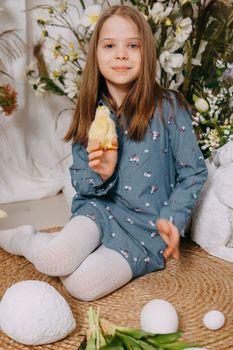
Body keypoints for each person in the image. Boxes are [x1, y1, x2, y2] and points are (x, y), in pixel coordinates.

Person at [0, 5, 207, 301]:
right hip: (98, 210)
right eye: (110, 45)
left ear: (146, 53)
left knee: (81, 286)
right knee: (54, 260)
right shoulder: (90, 111)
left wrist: (173, 218)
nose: (121, 54)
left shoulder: (169, 107)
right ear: (95, 55)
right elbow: (82, 184)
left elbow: (193, 172)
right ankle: (23, 238)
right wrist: (103, 173)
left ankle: (58, 243)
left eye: (132, 45)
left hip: (145, 234)